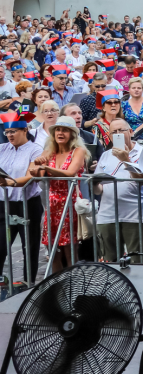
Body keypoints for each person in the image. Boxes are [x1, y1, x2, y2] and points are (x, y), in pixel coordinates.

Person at [30, 116, 88, 274]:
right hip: (52, 204)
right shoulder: (49, 152)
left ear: (72, 134)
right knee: (53, 250)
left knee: (70, 250)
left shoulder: (78, 151)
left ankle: (74, 284)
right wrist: (37, 166)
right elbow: (40, 175)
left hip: (70, 202)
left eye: (65, 130)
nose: (60, 133)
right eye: (58, 130)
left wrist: (45, 166)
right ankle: (57, 285)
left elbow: (70, 173)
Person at [92, 117, 143, 264]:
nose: (117, 134)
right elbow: (100, 190)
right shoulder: (106, 155)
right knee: (110, 260)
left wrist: (126, 159)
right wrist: (93, 183)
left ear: (130, 132)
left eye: (121, 130)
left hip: (134, 214)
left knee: (137, 259)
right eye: (114, 132)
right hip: (108, 214)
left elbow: (141, 181)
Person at [0, 112, 45, 284]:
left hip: (27, 203)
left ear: (25, 130)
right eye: (7, 132)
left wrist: (9, 183)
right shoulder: (2, 148)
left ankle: (29, 283)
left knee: (30, 246)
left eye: (14, 131)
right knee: (1, 245)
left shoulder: (35, 149)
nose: (10, 135)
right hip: (4, 203)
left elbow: (30, 176)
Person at [122, 77, 143, 143]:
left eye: (139, 88)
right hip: (131, 139)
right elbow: (121, 122)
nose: (136, 90)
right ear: (129, 89)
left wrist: (136, 131)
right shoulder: (124, 104)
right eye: (133, 88)